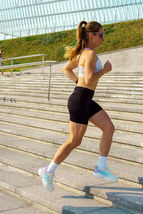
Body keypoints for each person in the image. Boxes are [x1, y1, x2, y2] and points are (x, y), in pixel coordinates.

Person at [38, 21, 119, 192]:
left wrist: (78, 81)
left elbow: (66, 69)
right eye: (101, 35)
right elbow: (88, 80)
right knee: (74, 140)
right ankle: (48, 170)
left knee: (109, 127)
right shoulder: (89, 54)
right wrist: (104, 71)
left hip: (84, 98)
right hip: (81, 99)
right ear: (91, 35)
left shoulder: (84, 53)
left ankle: (101, 168)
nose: (103, 39)